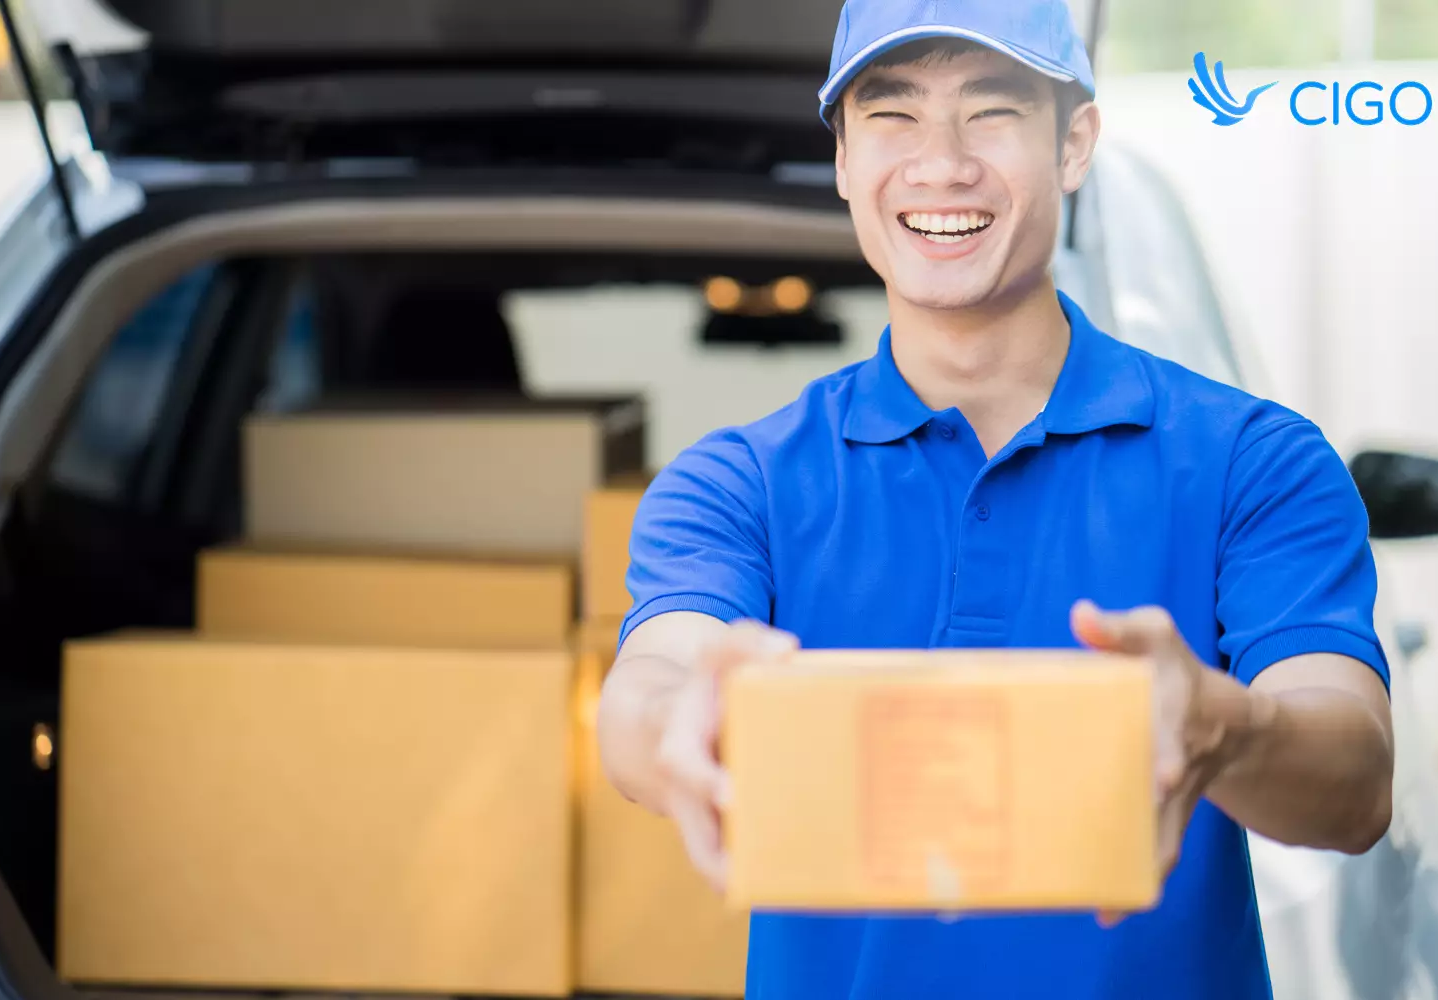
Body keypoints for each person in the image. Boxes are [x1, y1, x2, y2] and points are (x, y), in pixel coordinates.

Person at [595, 1, 1395, 996]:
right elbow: (651, 683)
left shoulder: (1251, 461)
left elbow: (1356, 781)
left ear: (1075, 143)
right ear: (842, 160)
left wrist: (1226, 724)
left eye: (990, 111)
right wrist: (673, 718)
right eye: (893, 115)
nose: (941, 164)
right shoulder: (736, 486)